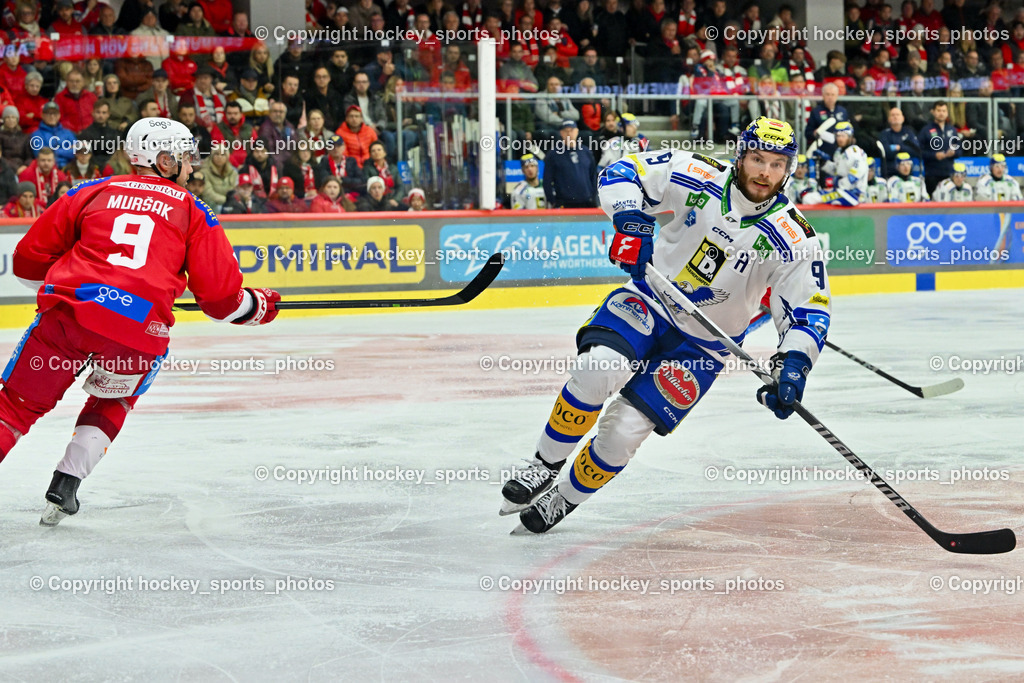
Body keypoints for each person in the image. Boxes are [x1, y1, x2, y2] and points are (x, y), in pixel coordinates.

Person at [501, 117, 832, 533]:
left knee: (624, 433)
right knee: (597, 368)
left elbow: (809, 310)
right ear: (740, 155)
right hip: (650, 298)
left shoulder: (795, 237)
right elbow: (623, 172)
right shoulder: (700, 174)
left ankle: (563, 499)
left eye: (778, 164)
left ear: (790, 169)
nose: (766, 171)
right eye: (757, 158)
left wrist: (795, 364)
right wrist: (630, 221)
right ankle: (543, 465)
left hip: (704, 347)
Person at [3, 117, 281, 526]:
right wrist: (259, 306)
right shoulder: (194, 211)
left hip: (68, 316)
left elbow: (27, 260)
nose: (192, 166)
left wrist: (75, 286)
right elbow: (221, 301)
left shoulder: (91, 191)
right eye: (186, 158)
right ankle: (67, 481)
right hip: (137, 332)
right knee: (113, 398)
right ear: (164, 160)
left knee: (15, 406)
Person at [802, 121, 868, 206]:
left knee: (809, 199)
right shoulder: (839, 152)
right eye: (838, 136)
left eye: (843, 136)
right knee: (810, 197)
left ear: (850, 137)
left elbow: (857, 173)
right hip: (842, 192)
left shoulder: (855, 152)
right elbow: (837, 171)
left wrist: (838, 183)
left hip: (853, 195)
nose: (840, 139)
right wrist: (824, 162)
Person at [542, 120, 597, 208]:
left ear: (577, 131)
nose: (569, 133)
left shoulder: (586, 152)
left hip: (587, 202)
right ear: (561, 133)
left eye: (571, 130)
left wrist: (594, 197)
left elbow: (593, 176)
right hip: (565, 203)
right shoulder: (553, 154)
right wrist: (553, 201)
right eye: (566, 131)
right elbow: (547, 181)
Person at [917, 100, 960, 195]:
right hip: (932, 174)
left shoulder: (952, 130)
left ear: (947, 113)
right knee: (933, 205)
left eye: (944, 111)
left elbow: (959, 149)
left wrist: (954, 152)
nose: (941, 113)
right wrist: (934, 155)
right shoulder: (926, 130)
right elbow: (919, 151)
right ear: (933, 112)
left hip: (949, 173)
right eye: (939, 110)